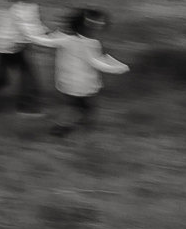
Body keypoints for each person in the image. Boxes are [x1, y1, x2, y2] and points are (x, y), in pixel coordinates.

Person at [45, 8, 128, 137]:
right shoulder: (90, 44)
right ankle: (62, 129)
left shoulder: (65, 38)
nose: (99, 29)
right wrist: (117, 68)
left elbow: (46, 41)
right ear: (88, 27)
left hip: (66, 82)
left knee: (79, 107)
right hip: (81, 85)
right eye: (98, 26)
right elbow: (95, 61)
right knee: (81, 108)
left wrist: (32, 34)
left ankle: (77, 127)